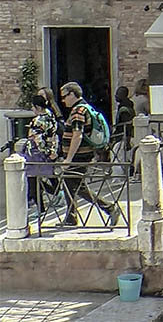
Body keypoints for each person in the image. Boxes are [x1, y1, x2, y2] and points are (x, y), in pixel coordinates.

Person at [58, 81, 123, 227]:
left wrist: (68, 158)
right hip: (82, 155)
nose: (63, 100)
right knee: (69, 184)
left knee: (77, 186)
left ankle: (109, 208)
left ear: (72, 94)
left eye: (64, 97)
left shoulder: (78, 112)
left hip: (79, 156)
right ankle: (71, 217)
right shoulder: (85, 108)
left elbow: (77, 135)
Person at [23, 91, 61, 210]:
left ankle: (41, 208)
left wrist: (44, 151)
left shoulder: (38, 120)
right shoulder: (50, 115)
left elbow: (37, 139)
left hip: (37, 153)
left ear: (37, 107)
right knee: (45, 176)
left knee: (33, 179)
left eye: (33, 107)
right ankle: (56, 194)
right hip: (50, 149)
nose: (32, 109)